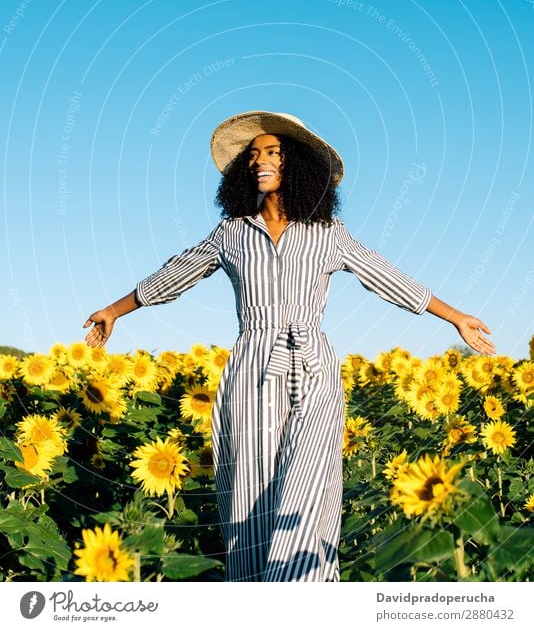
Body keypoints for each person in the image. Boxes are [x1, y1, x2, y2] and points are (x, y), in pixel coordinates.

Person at [83, 110, 495, 582]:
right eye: (253, 155)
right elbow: (174, 274)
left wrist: (455, 317)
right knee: (247, 492)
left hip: (313, 366)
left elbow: (388, 277)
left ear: (297, 164)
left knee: (309, 485)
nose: (260, 161)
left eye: (273, 153)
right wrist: (114, 310)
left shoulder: (328, 235)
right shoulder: (231, 234)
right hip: (251, 367)